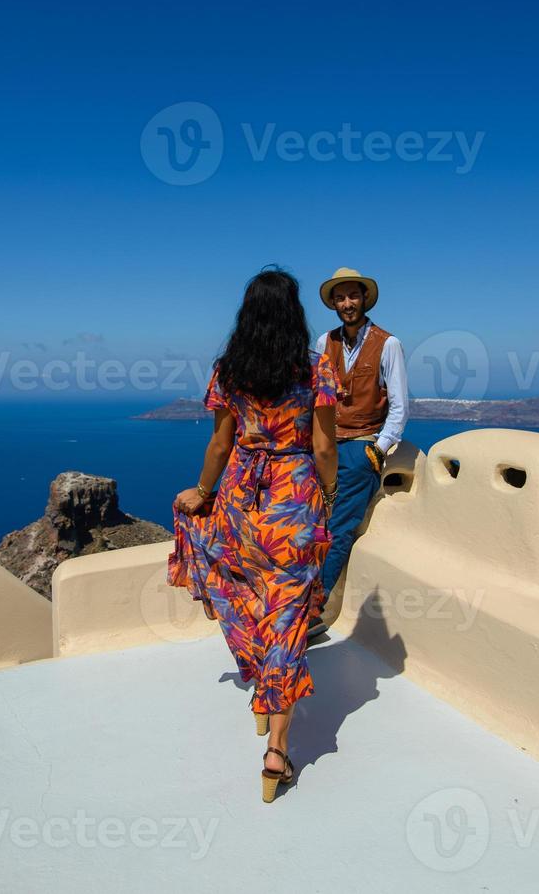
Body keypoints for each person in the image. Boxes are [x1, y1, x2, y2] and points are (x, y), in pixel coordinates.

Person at [168, 268, 339, 804]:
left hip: (243, 499)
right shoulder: (316, 369)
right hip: (293, 501)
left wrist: (201, 490)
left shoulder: (230, 370)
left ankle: (264, 702)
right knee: (287, 617)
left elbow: (220, 446)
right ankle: (277, 751)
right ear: (294, 313)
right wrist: (327, 500)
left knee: (244, 592)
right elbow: (325, 448)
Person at [306, 267, 409, 639]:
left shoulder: (388, 343)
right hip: (324, 444)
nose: (347, 303)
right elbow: (316, 396)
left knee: (339, 529)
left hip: (361, 445)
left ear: (364, 299)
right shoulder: (323, 342)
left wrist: (378, 450)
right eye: (340, 297)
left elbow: (399, 405)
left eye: (353, 296)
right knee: (307, 523)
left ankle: (312, 613)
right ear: (333, 302)